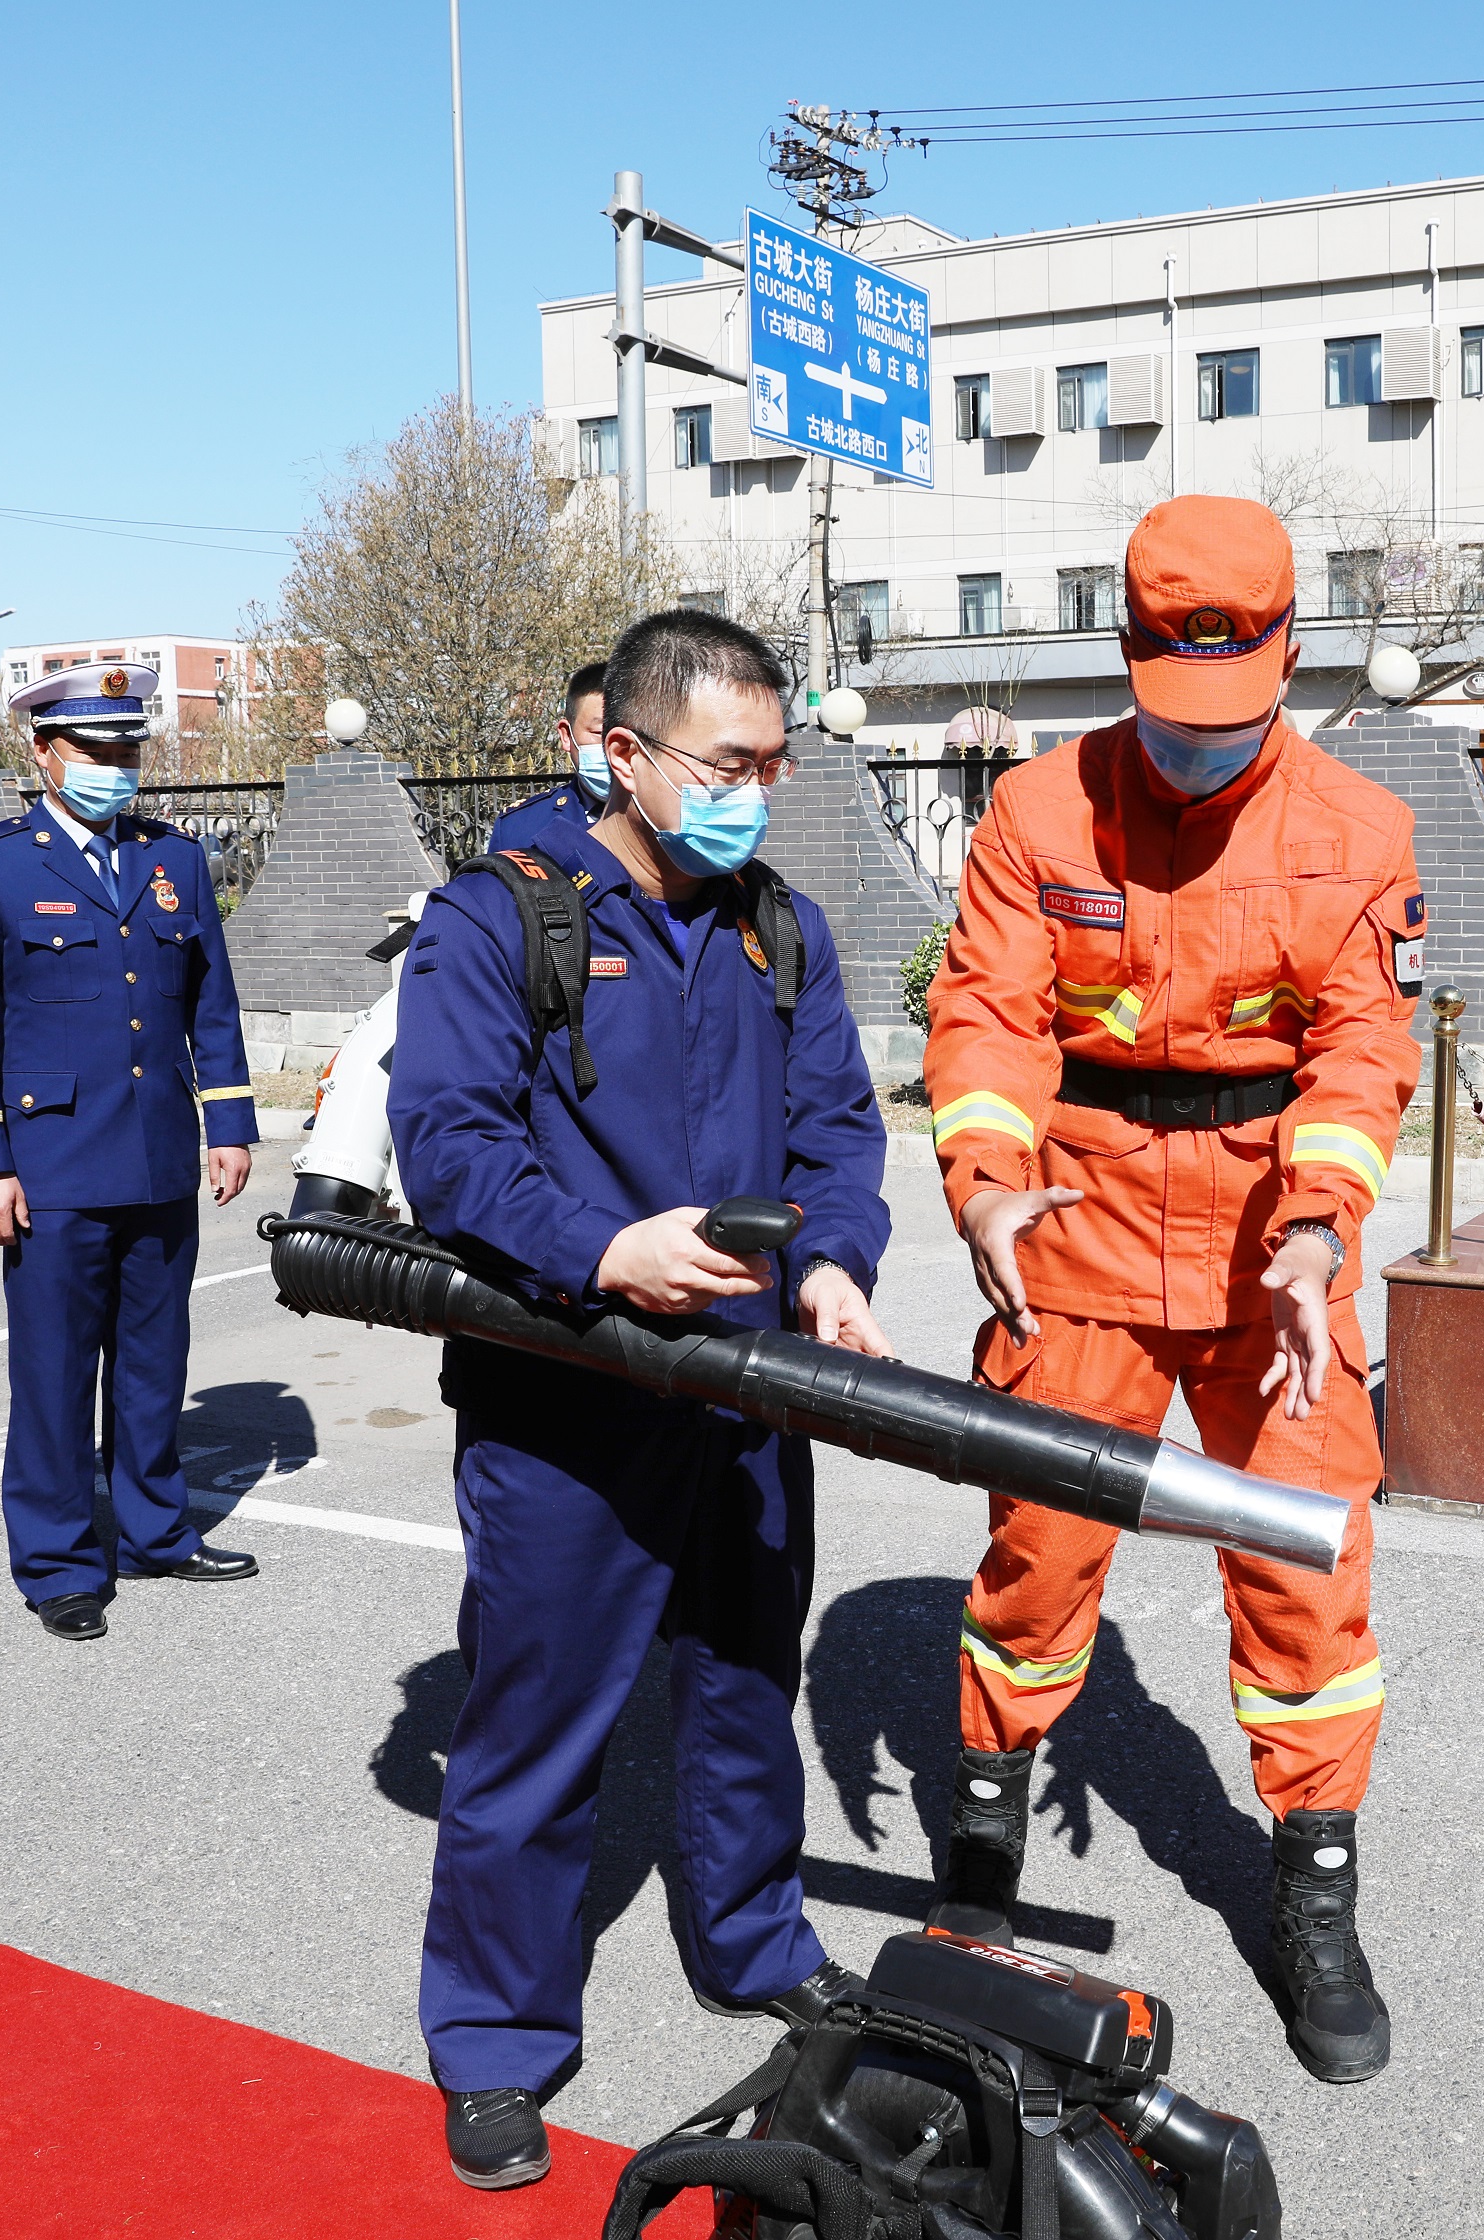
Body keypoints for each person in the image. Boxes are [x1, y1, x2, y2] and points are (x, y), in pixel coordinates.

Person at [388, 608, 893, 2193]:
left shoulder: (779, 926)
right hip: (568, 1399)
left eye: (773, 763)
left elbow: (839, 1134)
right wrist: (602, 1248)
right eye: (727, 764)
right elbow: (452, 1143)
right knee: (539, 1726)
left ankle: (753, 1941)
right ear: (627, 753)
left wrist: (835, 1264)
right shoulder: (502, 919)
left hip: (749, 1385)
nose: (757, 790)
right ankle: (493, 2040)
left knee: (748, 1685)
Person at [920, 495, 1423, 2085]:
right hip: (1077, 1232)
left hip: (1272, 1253)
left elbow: (1360, 1045)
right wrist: (985, 1189)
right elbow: (989, 1018)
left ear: (1288, 659)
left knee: (1306, 1575)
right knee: (1038, 1557)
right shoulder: (1033, 812)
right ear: (1125, 659)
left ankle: (1315, 1890)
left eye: (1238, 712)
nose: (1202, 746)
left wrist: (1325, 1222)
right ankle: (983, 1860)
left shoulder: (1360, 828)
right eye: (1171, 712)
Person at [0, 662, 261, 1644]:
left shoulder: (175, 860)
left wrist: (232, 1122)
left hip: (160, 1155)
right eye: (97, 749)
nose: (118, 766)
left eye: (129, 749)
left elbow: (212, 1001)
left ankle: (157, 1529)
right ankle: (61, 1562)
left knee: (156, 1363)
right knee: (56, 1372)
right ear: (44, 751)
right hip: (51, 1165)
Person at [485, 659, 612, 855]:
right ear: (567, 736)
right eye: (600, 732)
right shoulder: (520, 828)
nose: (616, 746)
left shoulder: (671, 824)